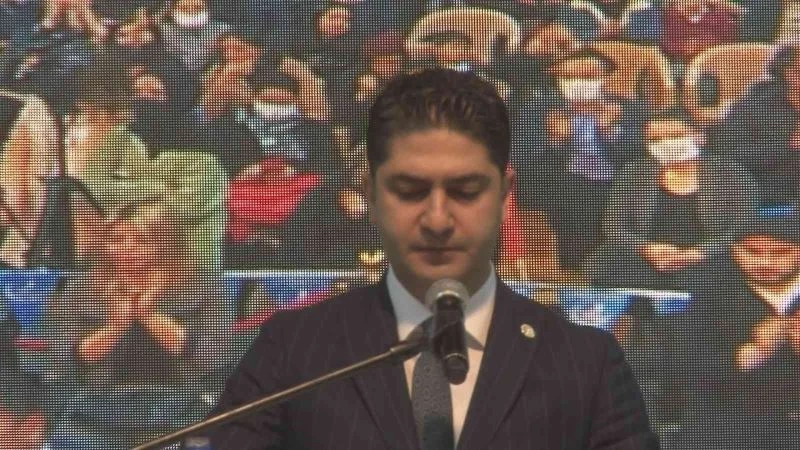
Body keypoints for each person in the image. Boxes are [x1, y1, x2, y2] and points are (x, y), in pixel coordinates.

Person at [207, 68, 659, 449]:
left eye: (465, 191)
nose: (438, 220)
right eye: (410, 191)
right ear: (370, 195)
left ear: (504, 196)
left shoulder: (585, 365)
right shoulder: (293, 353)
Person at [585, 110, 758, 290]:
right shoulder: (633, 173)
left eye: (675, 135)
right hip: (646, 253)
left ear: (700, 136)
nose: (666, 143)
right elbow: (613, 225)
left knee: (705, 278)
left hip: (707, 256)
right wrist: (645, 248)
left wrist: (697, 253)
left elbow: (742, 228)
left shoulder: (732, 174)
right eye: (655, 139)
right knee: (608, 265)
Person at [678, 213, 800, 449]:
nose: (765, 263)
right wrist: (749, 354)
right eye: (752, 252)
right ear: (734, 250)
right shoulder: (711, 295)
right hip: (730, 426)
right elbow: (684, 371)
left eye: (781, 252)